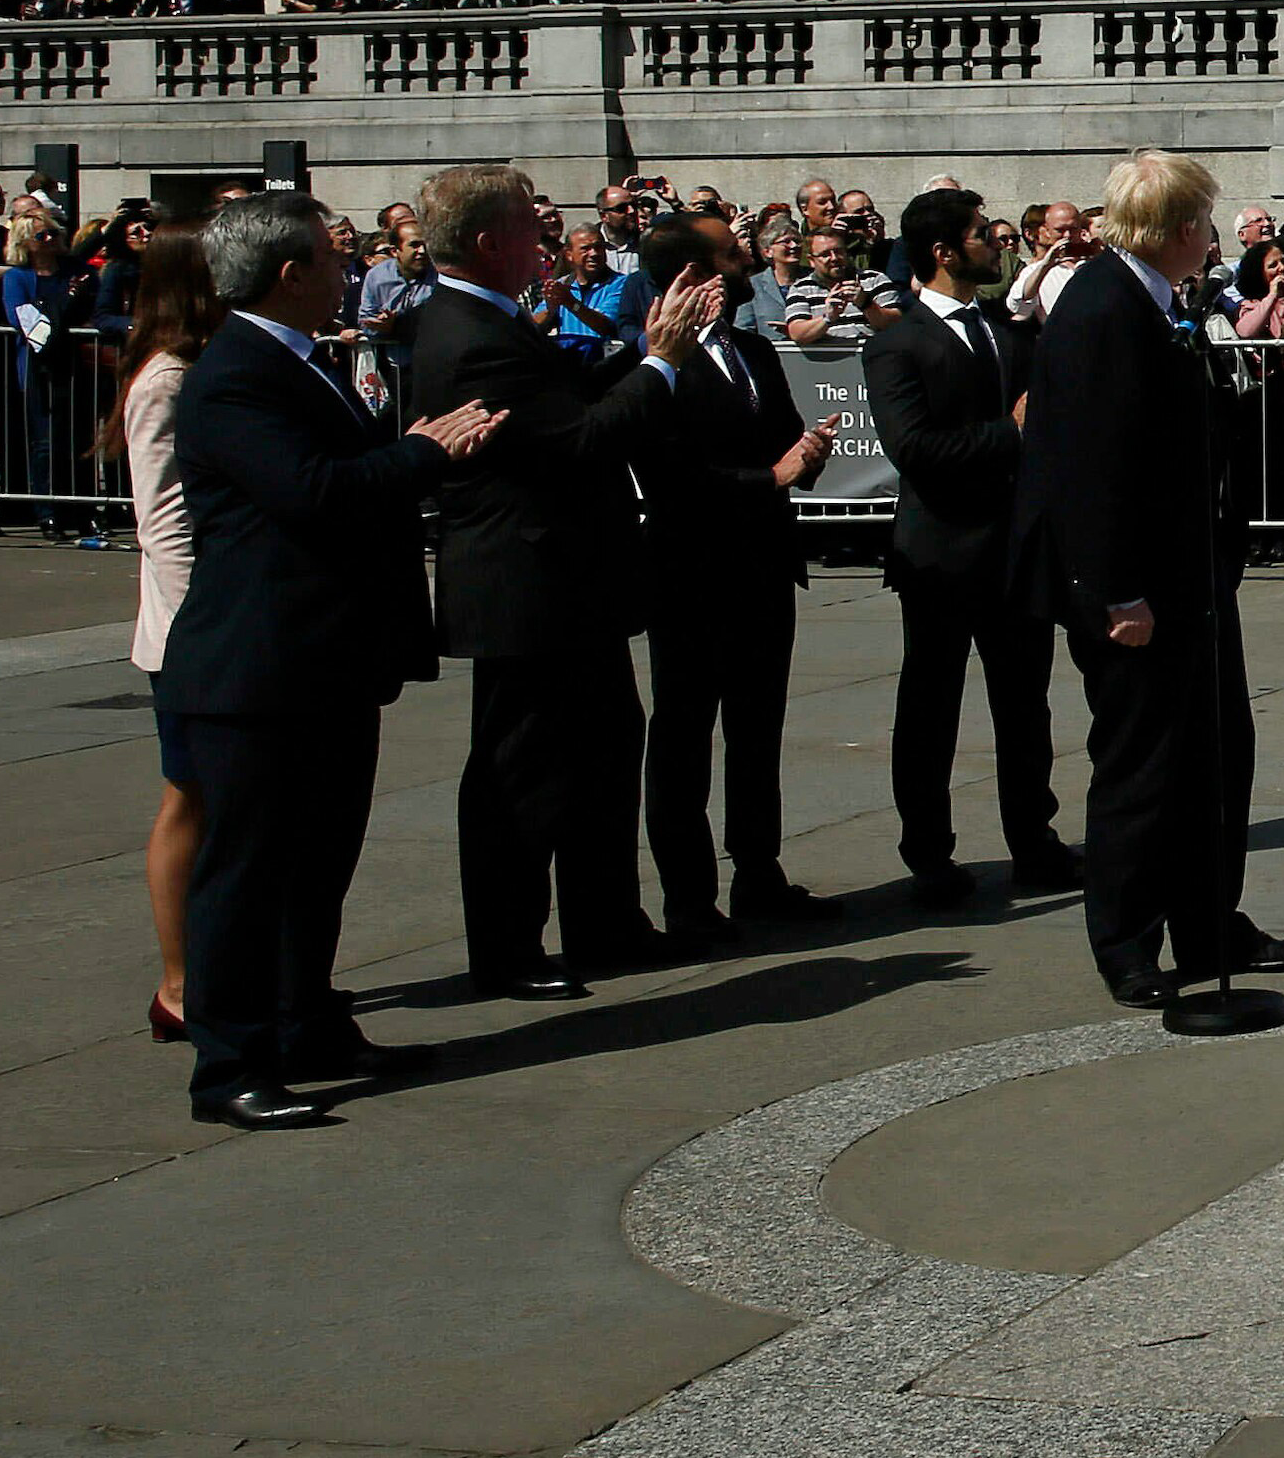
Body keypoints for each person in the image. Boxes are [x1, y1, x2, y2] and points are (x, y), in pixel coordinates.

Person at [152, 191, 507, 1126]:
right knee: (247, 871)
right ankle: (227, 1061)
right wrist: (427, 450)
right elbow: (311, 494)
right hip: (259, 667)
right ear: (290, 274)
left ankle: (306, 1017)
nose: (346, 270)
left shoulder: (302, 361)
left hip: (327, 662)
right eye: (329, 256)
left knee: (318, 863)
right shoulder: (233, 374)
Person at [398, 161, 724, 1000]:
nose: (546, 234)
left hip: (571, 580)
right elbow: (577, 440)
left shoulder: (496, 318)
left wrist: (647, 348)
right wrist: (659, 365)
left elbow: (571, 393)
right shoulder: (466, 332)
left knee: (605, 748)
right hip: (525, 583)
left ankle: (604, 920)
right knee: (523, 770)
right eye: (528, 222)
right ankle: (507, 947)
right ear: (486, 240)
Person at [1014, 148, 1284, 1010]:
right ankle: (1126, 939)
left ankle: (1208, 920)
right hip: (1134, 589)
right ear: (1185, 229)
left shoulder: (1158, 302)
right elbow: (1088, 468)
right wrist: (1115, 591)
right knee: (1142, 765)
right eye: (1209, 219)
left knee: (1216, 755)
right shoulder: (1103, 307)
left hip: (1191, 576)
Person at [626, 213, 841, 935]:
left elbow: (781, 440)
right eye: (730, 254)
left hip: (762, 568)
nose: (745, 260)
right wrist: (767, 476)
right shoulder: (654, 364)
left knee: (758, 728)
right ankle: (689, 897)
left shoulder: (751, 347)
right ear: (693, 273)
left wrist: (807, 454)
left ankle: (760, 870)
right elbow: (671, 476)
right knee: (685, 735)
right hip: (690, 572)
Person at [870, 186, 1073, 901]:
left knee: (1026, 705)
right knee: (931, 707)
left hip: (1015, 552)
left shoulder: (1004, 329)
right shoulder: (898, 342)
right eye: (983, 234)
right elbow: (914, 448)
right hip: (941, 556)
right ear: (943, 250)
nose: (997, 242)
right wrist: (1008, 432)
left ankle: (1035, 840)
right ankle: (928, 852)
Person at [113, 229, 215, 1043]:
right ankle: (179, 981)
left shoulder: (200, 365)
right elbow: (165, 522)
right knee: (189, 795)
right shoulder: (165, 377)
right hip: (189, 630)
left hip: (214, 623)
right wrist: (198, 631)